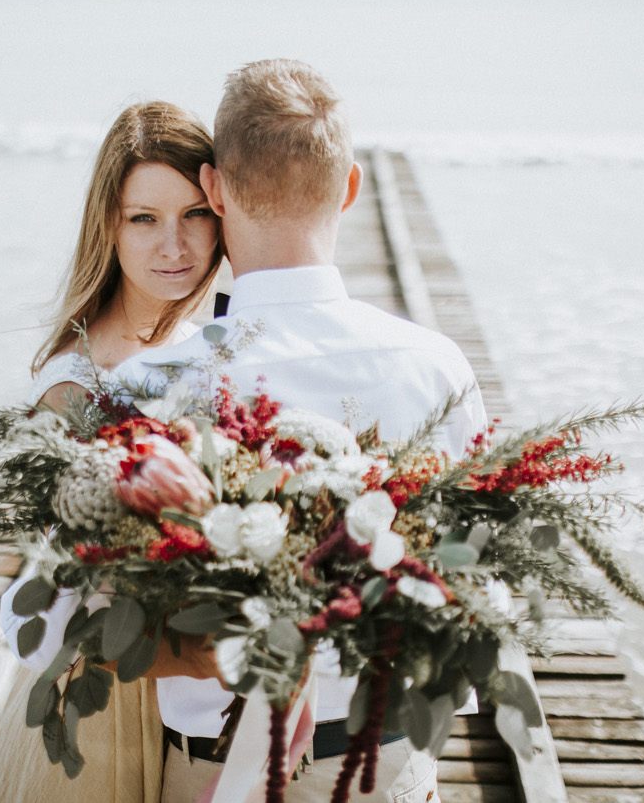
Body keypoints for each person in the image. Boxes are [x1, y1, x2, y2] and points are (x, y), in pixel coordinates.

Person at [113, 60, 487, 803]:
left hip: (216, 774)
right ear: (349, 186)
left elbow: (92, 626)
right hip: (385, 763)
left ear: (215, 191)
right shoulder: (440, 369)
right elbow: (469, 583)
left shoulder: (151, 387)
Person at [0, 100, 223, 803]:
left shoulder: (196, 344)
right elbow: (69, 596)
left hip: (183, 703)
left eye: (194, 214)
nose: (173, 245)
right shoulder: (74, 385)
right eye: (143, 218)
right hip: (107, 696)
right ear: (108, 227)